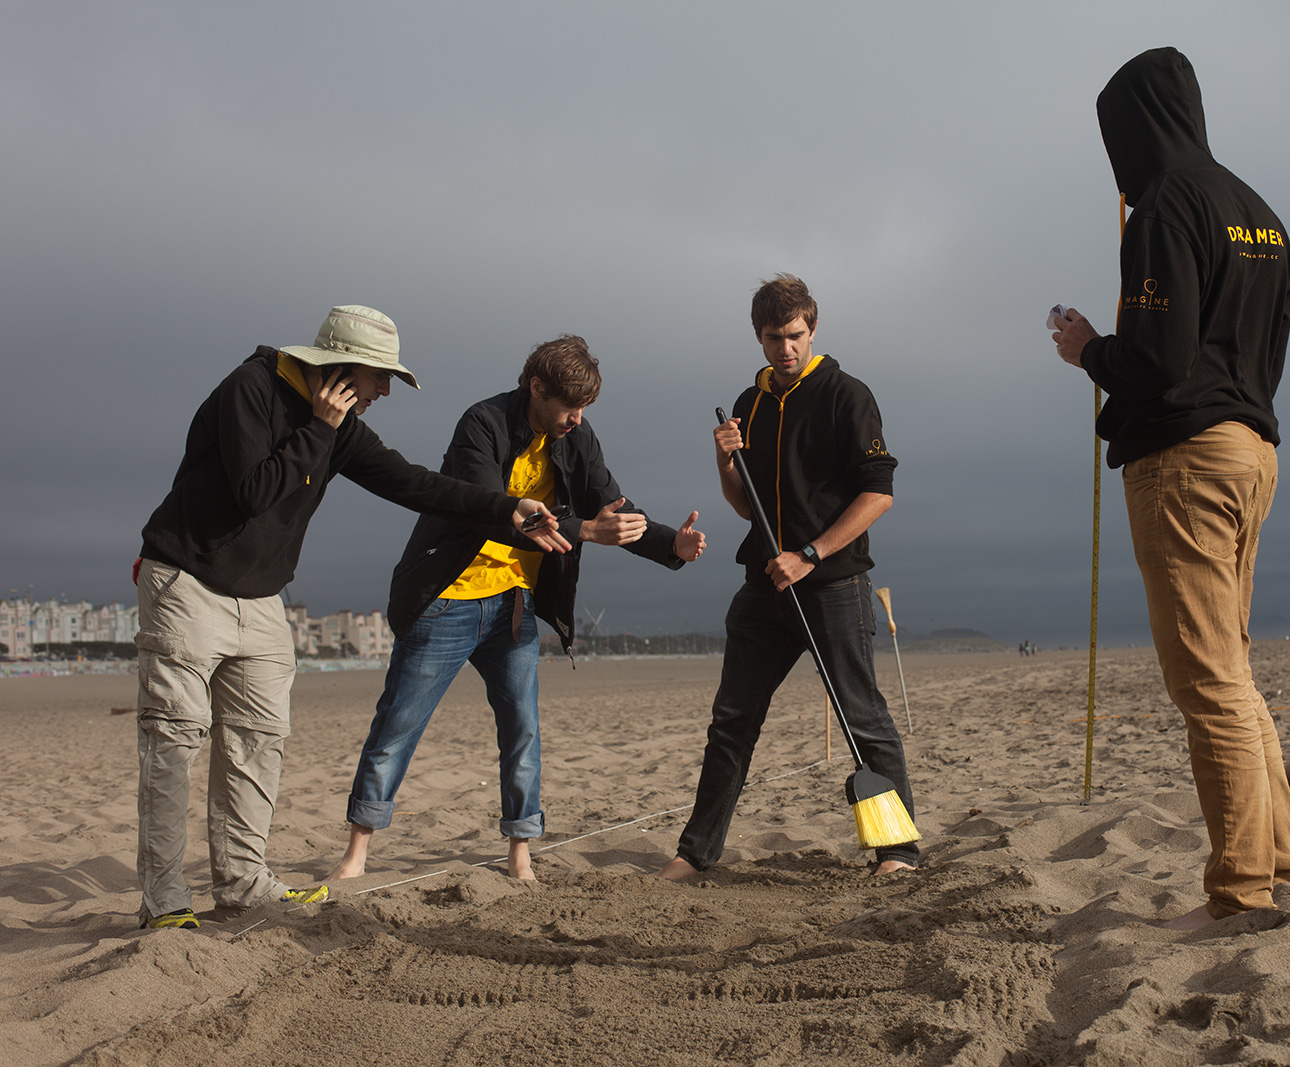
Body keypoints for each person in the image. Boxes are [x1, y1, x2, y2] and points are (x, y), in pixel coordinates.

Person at [134, 305, 567, 931]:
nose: (386, 391)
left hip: (259, 598)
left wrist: (506, 510)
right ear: (340, 370)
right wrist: (318, 427)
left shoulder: (339, 424)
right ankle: (164, 900)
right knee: (175, 740)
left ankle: (241, 882)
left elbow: (413, 483)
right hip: (187, 582)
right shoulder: (250, 389)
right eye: (380, 377)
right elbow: (257, 491)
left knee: (258, 741)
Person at [1049, 48, 1290, 929]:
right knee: (1234, 669)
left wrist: (1087, 348)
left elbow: (1157, 358)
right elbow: (1264, 352)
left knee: (1208, 684)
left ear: (1134, 127)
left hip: (1186, 461)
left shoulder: (1164, 206)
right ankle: (1279, 857)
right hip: (1253, 449)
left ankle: (1240, 892)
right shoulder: (1259, 211)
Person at [330, 335, 705, 882]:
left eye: (585, 409)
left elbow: (612, 507)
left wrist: (670, 544)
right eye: (568, 406)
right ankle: (356, 855)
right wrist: (584, 531)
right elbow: (489, 512)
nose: (577, 419)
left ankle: (520, 856)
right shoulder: (481, 423)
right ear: (536, 388)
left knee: (522, 733)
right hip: (448, 599)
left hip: (514, 607)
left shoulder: (577, 436)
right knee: (397, 727)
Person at [657, 274, 917, 880]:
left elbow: (879, 492)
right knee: (731, 722)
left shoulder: (845, 394)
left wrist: (811, 553)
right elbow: (747, 506)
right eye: (774, 338)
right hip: (762, 586)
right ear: (759, 336)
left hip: (833, 585)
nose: (785, 350)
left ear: (813, 329)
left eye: (795, 336)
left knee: (863, 717)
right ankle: (696, 855)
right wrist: (725, 460)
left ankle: (897, 851)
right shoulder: (748, 403)